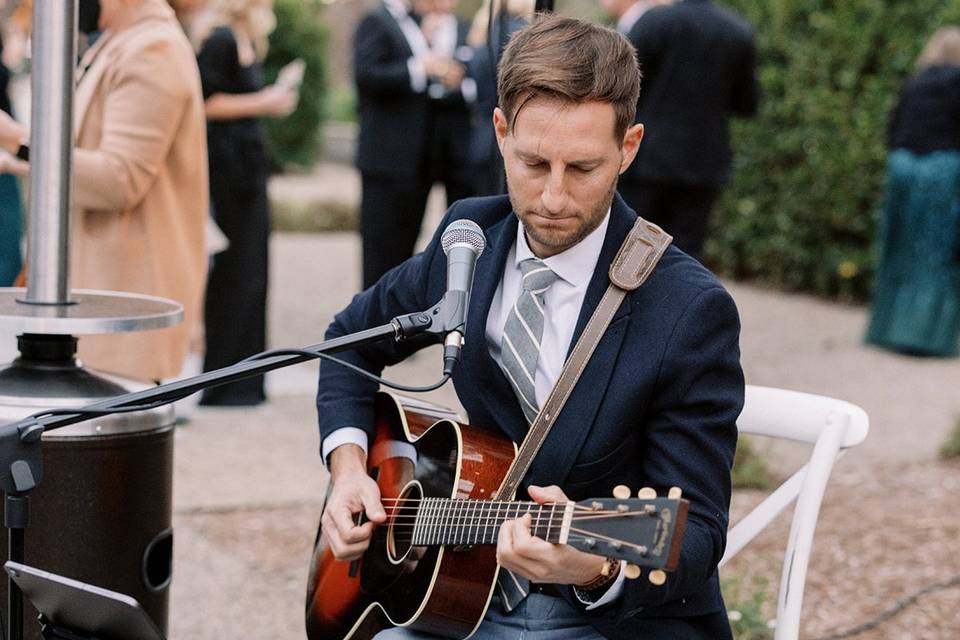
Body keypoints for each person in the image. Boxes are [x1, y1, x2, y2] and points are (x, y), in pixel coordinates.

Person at [317, 15, 743, 639]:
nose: (551, 197)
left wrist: (595, 567)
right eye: (533, 162)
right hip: (453, 590)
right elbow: (347, 342)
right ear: (500, 132)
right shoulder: (468, 239)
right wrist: (350, 469)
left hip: (605, 620)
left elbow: (697, 531)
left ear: (629, 148)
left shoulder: (687, 308)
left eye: (583, 168)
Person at [0, 0, 208, 382]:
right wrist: (16, 161)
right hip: (98, 287)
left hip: (128, 294)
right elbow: (86, 155)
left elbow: (120, 179)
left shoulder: (153, 49)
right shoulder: (119, 42)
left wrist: (19, 139)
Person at [191, 0, 298, 405]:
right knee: (234, 272)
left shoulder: (245, 38)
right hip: (228, 172)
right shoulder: (219, 39)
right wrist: (264, 102)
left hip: (248, 169)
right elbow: (205, 103)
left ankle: (247, 380)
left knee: (253, 273)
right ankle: (224, 382)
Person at [609, 0, 759, 259]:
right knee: (686, 251)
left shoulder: (654, 22)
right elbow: (747, 104)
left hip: (648, 157)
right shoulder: (738, 31)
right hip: (705, 161)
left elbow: (619, 87)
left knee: (628, 241)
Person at [353, 0, 466, 290]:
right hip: (385, 159)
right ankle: (373, 329)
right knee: (380, 253)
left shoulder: (417, 23)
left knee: (404, 248)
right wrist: (420, 67)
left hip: (415, 164)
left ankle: (397, 323)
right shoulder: (376, 20)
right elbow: (366, 74)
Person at [865, 26, 960, 357]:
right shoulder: (958, 82)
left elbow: (893, 130)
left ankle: (888, 330)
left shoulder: (916, 82)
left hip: (902, 166)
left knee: (899, 249)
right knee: (935, 251)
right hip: (939, 168)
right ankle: (924, 337)